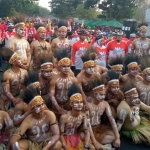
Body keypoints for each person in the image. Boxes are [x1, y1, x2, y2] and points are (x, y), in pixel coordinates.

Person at [49, 49, 87, 116]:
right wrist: (58, 108)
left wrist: (85, 102)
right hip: (56, 105)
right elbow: (51, 95)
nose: (66, 68)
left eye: (68, 66)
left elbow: (80, 91)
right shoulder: (54, 79)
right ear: (60, 67)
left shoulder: (73, 79)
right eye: (64, 66)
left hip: (68, 104)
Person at [87, 78, 120, 149]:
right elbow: (87, 125)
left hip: (98, 128)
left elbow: (112, 120)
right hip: (88, 130)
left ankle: (91, 142)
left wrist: (118, 138)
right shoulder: (88, 105)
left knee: (113, 136)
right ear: (95, 94)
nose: (103, 97)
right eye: (101, 94)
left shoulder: (105, 104)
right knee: (83, 135)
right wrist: (95, 141)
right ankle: (94, 142)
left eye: (104, 94)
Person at [59, 83, 91, 150]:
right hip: (65, 139)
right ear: (71, 104)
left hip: (76, 139)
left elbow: (87, 131)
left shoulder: (83, 116)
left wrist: (86, 146)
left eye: (81, 102)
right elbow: (61, 135)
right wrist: (65, 147)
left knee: (92, 148)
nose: (79, 104)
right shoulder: (64, 117)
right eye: (76, 102)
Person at [0, 47, 28, 112]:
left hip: (18, 97)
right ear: (13, 62)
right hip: (7, 100)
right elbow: (6, 91)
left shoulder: (24, 72)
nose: (21, 60)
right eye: (18, 59)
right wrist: (13, 100)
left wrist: (23, 97)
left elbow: (25, 86)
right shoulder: (7, 74)